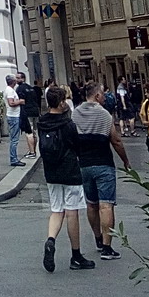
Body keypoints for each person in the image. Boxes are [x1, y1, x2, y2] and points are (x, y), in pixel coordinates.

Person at [37, 86, 96, 272]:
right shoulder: (67, 124)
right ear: (61, 102)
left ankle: (51, 239)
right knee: (72, 212)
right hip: (69, 171)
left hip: (51, 172)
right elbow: (77, 146)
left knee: (56, 210)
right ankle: (76, 256)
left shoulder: (42, 123)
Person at [71, 82, 132, 259]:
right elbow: (116, 141)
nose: (105, 98)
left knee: (91, 204)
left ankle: (98, 238)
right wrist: (125, 161)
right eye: (103, 95)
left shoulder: (75, 113)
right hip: (103, 163)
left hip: (84, 164)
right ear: (97, 96)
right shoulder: (104, 114)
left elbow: (71, 138)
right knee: (106, 205)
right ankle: (107, 247)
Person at [16, 72, 40, 157]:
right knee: (34, 132)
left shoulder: (20, 88)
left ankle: (32, 152)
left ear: (23, 78)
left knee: (29, 132)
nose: (16, 80)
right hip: (35, 111)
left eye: (18, 78)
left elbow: (22, 101)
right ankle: (34, 150)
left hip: (27, 111)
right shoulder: (31, 88)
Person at [4, 75, 24, 167]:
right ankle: (14, 159)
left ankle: (14, 158)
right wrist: (20, 101)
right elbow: (11, 103)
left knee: (14, 138)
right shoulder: (10, 91)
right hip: (13, 116)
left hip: (13, 115)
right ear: (13, 82)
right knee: (14, 139)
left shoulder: (9, 90)